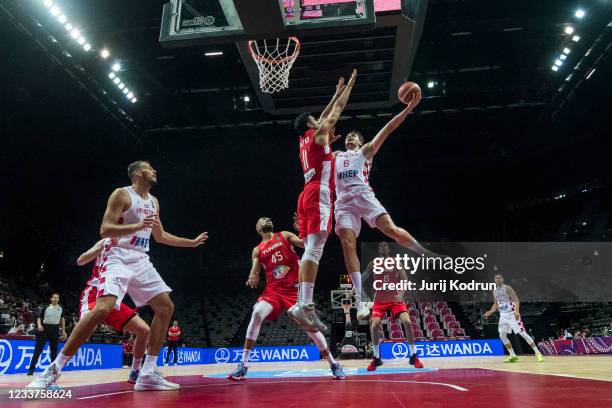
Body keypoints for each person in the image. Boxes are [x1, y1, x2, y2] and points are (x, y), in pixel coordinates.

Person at [28, 161, 208, 391]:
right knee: (103, 308)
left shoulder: (153, 201)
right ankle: (52, 371)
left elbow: (160, 236)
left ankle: (147, 373)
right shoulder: (122, 194)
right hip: (118, 256)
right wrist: (136, 226)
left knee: (165, 307)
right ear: (137, 173)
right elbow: (105, 229)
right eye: (150, 168)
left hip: (141, 259)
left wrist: (190, 243)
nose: (155, 170)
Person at [332, 92, 427, 320]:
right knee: (347, 243)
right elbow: (317, 152)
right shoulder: (335, 155)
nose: (350, 138)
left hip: (363, 195)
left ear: (361, 142)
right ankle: (360, 299)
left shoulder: (365, 152)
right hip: (343, 202)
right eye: (348, 136)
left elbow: (388, 127)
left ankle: (424, 253)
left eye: (355, 136)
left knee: (391, 231)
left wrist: (408, 108)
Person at [227, 217, 345, 380]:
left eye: (268, 218)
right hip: (273, 290)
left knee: (310, 329)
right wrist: (252, 276)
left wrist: (302, 231)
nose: (266, 219)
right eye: (262, 219)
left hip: (294, 289)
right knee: (256, 314)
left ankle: (333, 364)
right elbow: (254, 271)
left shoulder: (284, 235)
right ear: (258, 228)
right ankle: (243, 365)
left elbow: (307, 245)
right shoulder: (257, 249)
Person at [288, 70, 357, 332]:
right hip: (319, 193)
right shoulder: (317, 135)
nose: (321, 120)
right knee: (314, 250)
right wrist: (348, 88)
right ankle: (304, 305)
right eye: (315, 119)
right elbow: (334, 112)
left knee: (309, 248)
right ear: (310, 124)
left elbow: (323, 119)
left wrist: (334, 93)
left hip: (306, 193)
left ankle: (302, 303)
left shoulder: (305, 140)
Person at [362, 242, 423, 371]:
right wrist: (354, 289)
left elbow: (405, 280)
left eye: (385, 246)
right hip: (379, 299)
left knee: (407, 321)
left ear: (388, 249)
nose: (383, 247)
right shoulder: (373, 263)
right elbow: (363, 278)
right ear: (378, 249)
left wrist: (401, 294)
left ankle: (413, 356)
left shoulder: (396, 262)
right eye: (381, 246)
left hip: (395, 298)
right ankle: (377, 358)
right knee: (374, 325)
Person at [483, 273, 544, 363]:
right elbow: (496, 304)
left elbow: (516, 300)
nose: (498, 279)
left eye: (499, 278)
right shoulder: (494, 291)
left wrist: (516, 311)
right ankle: (512, 355)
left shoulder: (507, 288)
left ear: (502, 279)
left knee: (523, 333)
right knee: (502, 336)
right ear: (494, 280)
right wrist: (490, 312)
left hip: (512, 314)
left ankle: (537, 353)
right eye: (496, 278)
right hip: (503, 316)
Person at [27, 293, 66, 375]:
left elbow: (62, 320)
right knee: (38, 350)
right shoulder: (46, 307)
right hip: (44, 329)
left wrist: (63, 331)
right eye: (54, 297)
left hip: (55, 329)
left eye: (57, 298)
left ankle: (53, 371)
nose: (56, 299)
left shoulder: (61, 308)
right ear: (51, 299)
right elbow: (39, 318)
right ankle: (31, 369)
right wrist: (39, 325)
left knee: (54, 351)